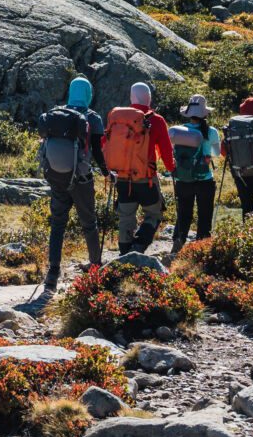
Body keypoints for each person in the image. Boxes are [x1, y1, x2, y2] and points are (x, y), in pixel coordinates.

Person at [37, 76, 106, 293]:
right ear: (88, 93)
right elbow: (98, 151)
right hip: (82, 179)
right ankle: (95, 267)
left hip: (58, 178)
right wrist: (106, 172)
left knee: (58, 224)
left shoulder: (56, 114)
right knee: (89, 223)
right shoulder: (92, 118)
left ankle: (52, 274)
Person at [102, 82, 176, 253]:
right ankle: (139, 246)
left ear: (131, 97)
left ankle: (124, 253)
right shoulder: (156, 120)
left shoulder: (117, 119)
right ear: (149, 98)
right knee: (154, 214)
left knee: (126, 217)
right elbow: (166, 151)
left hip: (121, 177)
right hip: (146, 179)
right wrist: (172, 168)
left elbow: (105, 144)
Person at [168, 95, 218, 253]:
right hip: (205, 180)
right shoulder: (211, 131)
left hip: (183, 179)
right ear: (205, 113)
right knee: (204, 214)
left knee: (184, 213)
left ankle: (179, 240)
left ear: (188, 113)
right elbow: (216, 153)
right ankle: (201, 246)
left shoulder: (179, 131)